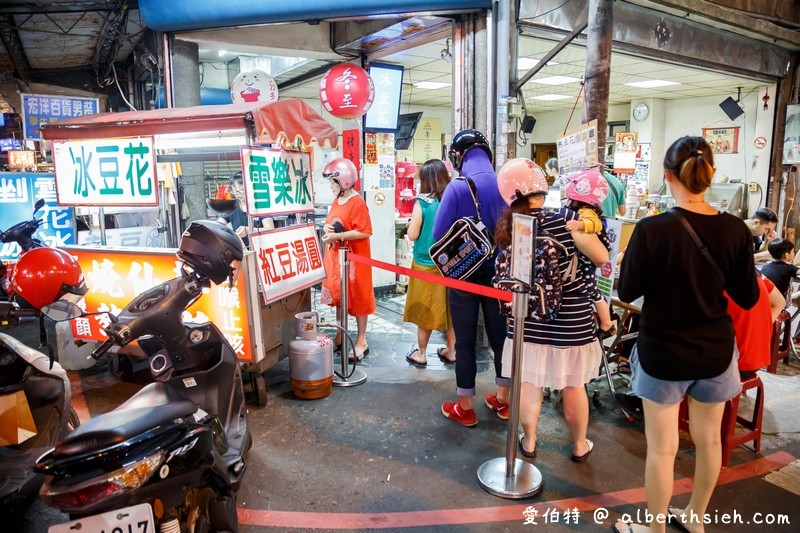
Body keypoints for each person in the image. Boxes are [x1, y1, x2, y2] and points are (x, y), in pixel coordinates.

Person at [615, 136, 759, 533]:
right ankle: (695, 520)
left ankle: (656, 529)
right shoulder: (735, 230)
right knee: (709, 441)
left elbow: (626, 292)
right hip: (714, 352)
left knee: (663, 449)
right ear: (710, 174)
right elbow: (747, 296)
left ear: (667, 175)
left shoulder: (651, 229)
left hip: (663, 353)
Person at [493, 158, 609, 461]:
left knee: (528, 384)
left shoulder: (509, 226)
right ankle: (579, 445)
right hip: (572, 319)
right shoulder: (567, 217)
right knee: (574, 386)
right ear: (542, 187)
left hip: (526, 318)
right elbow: (600, 258)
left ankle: (529, 441)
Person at [434, 129, 509, 426]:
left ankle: (465, 406)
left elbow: (439, 234)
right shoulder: (506, 185)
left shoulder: (458, 187)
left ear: (459, 155)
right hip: (501, 276)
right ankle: (503, 401)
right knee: (502, 338)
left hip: (464, 275)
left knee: (464, 342)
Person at [320, 158, 375, 361]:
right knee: (339, 297)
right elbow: (332, 222)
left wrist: (340, 236)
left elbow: (365, 231)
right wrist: (328, 229)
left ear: (344, 181)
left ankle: (362, 340)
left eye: (332, 182)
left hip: (355, 259)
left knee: (359, 297)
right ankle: (340, 335)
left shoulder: (358, 202)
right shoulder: (337, 200)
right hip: (336, 258)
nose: (330, 186)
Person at [403, 159, 456, 366]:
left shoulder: (422, 203)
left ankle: (422, 353)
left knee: (424, 310)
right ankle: (451, 351)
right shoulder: (452, 200)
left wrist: (410, 226)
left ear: (425, 180)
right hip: (450, 265)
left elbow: (413, 234)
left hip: (425, 264)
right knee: (452, 310)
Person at [563, 169, 613, 333]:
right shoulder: (582, 210)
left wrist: (579, 225)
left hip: (588, 260)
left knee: (593, 291)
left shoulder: (586, 212)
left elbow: (596, 225)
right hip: (586, 258)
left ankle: (606, 323)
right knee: (592, 290)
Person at [725, 274, 784, 380]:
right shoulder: (757, 274)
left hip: (731, 364)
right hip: (756, 358)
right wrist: (759, 329)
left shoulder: (710, 277)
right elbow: (779, 302)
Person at [218, 172, 250, 247]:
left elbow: (270, 228)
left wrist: (248, 230)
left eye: (241, 189)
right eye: (235, 189)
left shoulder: (259, 206)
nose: (237, 193)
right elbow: (218, 225)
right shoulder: (232, 207)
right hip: (242, 251)